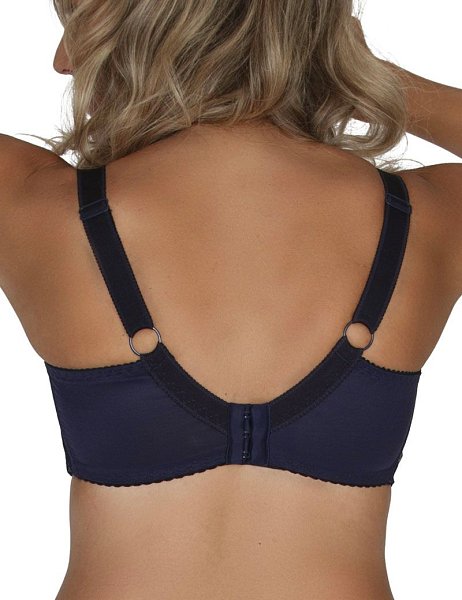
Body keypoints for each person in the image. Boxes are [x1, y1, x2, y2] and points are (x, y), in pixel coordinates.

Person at [0, 1, 460, 599]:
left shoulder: (36, 204)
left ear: (136, 27)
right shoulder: (427, 218)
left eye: (75, 22)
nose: (63, 60)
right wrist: (365, 74)